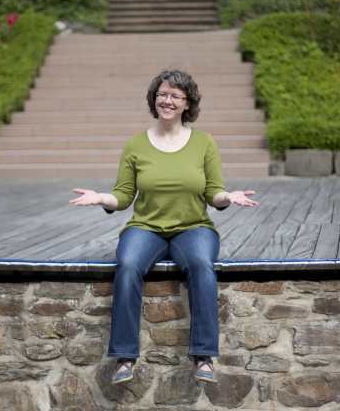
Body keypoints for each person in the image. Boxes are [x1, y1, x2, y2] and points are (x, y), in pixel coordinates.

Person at [70, 69, 258, 384]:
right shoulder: (135, 145)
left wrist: (229, 196)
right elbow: (124, 196)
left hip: (193, 227)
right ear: (154, 99)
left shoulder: (203, 143)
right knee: (128, 264)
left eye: (175, 96)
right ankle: (124, 358)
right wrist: (102, 197)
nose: (166, 101)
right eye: (162, 94)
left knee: (201, 264)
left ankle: (204, 356)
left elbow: (214, 193)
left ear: (187, 104)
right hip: (146, 227)